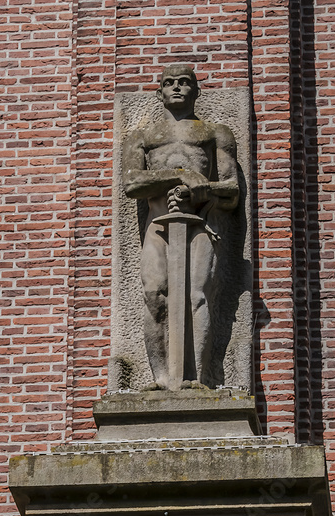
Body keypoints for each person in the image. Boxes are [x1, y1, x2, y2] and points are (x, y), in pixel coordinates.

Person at [123, 64, 239, 389]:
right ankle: (161, 379)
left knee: (197, 296)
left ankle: (196, 378)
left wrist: (203, 189)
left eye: (184, 82)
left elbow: (231, 189)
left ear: (196, 91)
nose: (176, 87)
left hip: (200, 225)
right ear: (159, 92)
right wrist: (178, 176)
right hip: (158, 224)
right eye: (169, 83)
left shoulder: (216, 133)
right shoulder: (143, 137)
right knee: (154, 295)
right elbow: (132, 184)